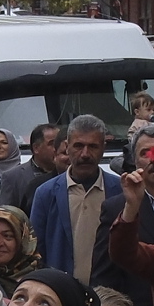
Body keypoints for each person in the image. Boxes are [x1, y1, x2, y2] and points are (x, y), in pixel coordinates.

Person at [29, 115, 127, 287]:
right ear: (67, 147)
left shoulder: (120, 190)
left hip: (111, 295)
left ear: (104, 148)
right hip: (62, 294)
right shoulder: (46, 194)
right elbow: (36, 251)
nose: (85, 154)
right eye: (78, 146)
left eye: (93, 146)